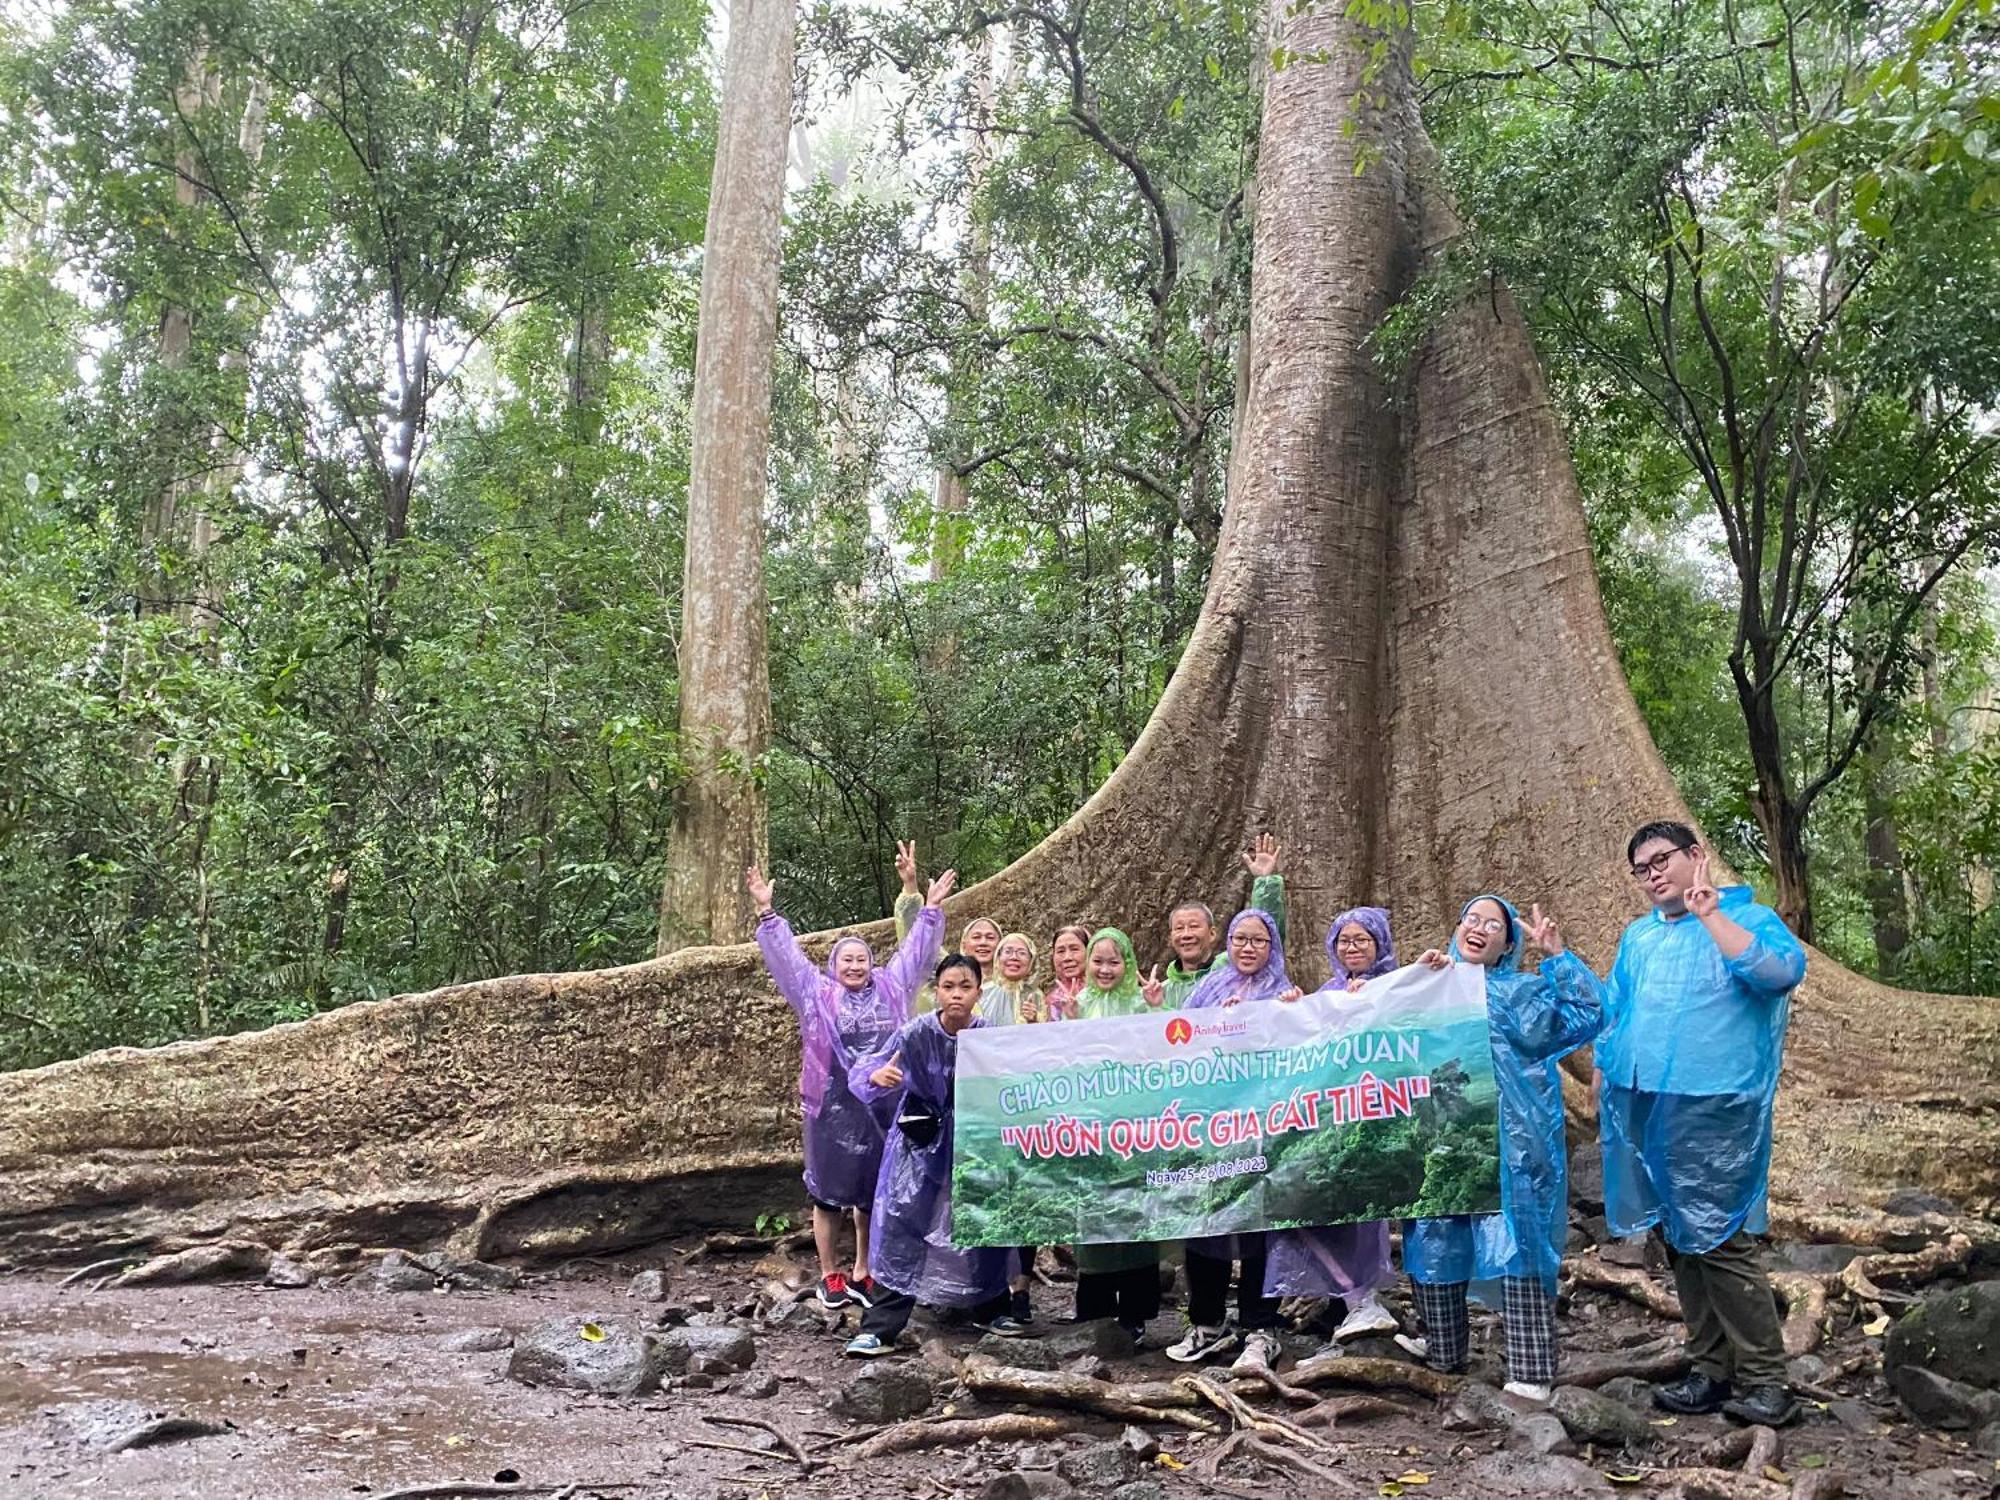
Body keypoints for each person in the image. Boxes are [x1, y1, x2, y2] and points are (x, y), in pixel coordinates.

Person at [1598, 820, 1808, 1427]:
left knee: (1718, 1240)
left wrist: (1712, 916)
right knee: (1678, 1239)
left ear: (1697, 855)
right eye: (1642, 868)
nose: (1653, 873)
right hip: (1646, 1101)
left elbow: (1778, 975)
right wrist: (1605, 1071)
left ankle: (1768, 1380)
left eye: (1662, 859)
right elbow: (1618, 1008)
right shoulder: (1638, 938)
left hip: (1715, 1102)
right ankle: (1710, 1369)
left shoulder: (1748, 917)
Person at [1402, 895, 1605, 1404]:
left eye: (1493, 925)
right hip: (1443, 1139)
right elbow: (1363, 1025)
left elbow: (1588, 1013)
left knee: (1517, 1244)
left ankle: (1531, 1369)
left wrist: (1556, 956)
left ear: (1506, 945)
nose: (1479, 929)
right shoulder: (1428, 987)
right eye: (1471, 918)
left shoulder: (1519, 994)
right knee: (1435, 1238)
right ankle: (1444, 1351)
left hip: (1510, 1139)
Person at [749, 861, 954, 1312]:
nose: (856, 965)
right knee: (827, 1194)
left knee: (871, 1191)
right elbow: (788, 961)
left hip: (882, 1103)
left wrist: (930, 909)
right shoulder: (816, 994)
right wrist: (768, 914)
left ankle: (865, 1269)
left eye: (862, 958)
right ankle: (830, 1273)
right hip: (830, 1105)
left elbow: (916, 954)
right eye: (848, 959)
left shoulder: (890, 988)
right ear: (834, 965)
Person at [843, 954, 1022, 1355]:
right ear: (936, 991)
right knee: (902, 1223)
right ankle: (881, 1324)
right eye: (948, 987)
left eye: (965, 986)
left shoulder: (991, 1036)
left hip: (975, 1140)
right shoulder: (914, 1033)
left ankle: (991, 1306)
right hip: (919, 1142)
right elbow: (867, 1069)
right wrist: (876, 1076)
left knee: (982, 1217)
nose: (956, 995)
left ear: (979, 991)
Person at [1263, 907, 1401, 1346]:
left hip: (1376, 1119)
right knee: (1309, 1210)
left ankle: (1365, 1301)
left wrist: (1372, 1003)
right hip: (1328, 1122)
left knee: (1363, 1216)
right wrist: (1291, 1012)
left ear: (1380, 943)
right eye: (1344, 940)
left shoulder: (1400, 988)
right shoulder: (1328, 991)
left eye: (1362, 939)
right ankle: (1349, 1299)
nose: (1352, 948)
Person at [1165, 908, 1295, 1367]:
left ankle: (1260, 1328)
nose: (1248, 947)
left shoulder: (1284, 993)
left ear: (1272, 946)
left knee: (1260, 1229)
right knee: (1208, 1224)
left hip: (1262, 1130)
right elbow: (1176, 1043)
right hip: (1212, 1129)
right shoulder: (1208, 989)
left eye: (1259, 940)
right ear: (1227, 942)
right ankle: (1207, 1323)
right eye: (1240, 938)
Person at [1065, 924, 1166, 1339]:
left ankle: (1136, 1314)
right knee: (1092, 1219)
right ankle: (1095, 1312)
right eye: (1098, 961)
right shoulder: (1078, 1003)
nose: (1105, 969)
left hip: (1135, 1131)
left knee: (1134, 1215)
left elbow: (1166, 1054)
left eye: (1114, 961)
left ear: (1127, 963)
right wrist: (1066, 1023)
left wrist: (1158, 1009)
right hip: (1090, 1133)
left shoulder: (1141, 1004)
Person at [1162, 835, 1288, 1010]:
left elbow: (1264, 931)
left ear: (1212, 933)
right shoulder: (1162, 991)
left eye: (1194, 926)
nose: (1186, 934)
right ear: (1170, 936)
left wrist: (1264, 883)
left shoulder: (1230, 966)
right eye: (1179, 928)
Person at [981, 932, 1044, 1025]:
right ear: (998, 957)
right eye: (1008, 952)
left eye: (1021, 953)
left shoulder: (1037, 996)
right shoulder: (982, 993)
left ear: (1031, 961)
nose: (1014, 957)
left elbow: (1047, 1036)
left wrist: (1034, 1021)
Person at [1043, 923, 1092, 1020]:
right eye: (1061, 951)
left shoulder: (1104, 994)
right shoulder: (1050, 1001)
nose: (1067, 958)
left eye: (1074, 949)